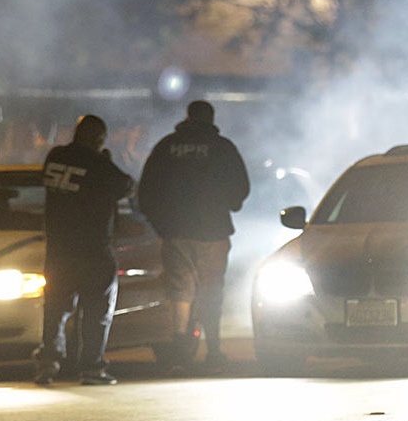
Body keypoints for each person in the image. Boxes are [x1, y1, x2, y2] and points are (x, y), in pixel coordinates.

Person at [137, 100, 250, 372]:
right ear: (211, 119)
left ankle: (179, 350)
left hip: (176, 233)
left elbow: (147, 190)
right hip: (213, 232)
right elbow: (241, 187)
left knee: (180, 291)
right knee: (212, 289)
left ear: (187, 117)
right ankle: (213, 351)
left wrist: (161, 225)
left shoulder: (167, 147)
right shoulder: (223, 148)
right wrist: (229, 205)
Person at [34, 114, 133, 386]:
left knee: (55, 307)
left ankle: (48, 363)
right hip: (94, 250)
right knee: (96, 311)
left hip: (59, 250)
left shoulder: (56, 157)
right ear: (99, 139)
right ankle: (92, 368)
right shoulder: (99, 164)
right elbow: (125, 185)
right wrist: (107, 159)